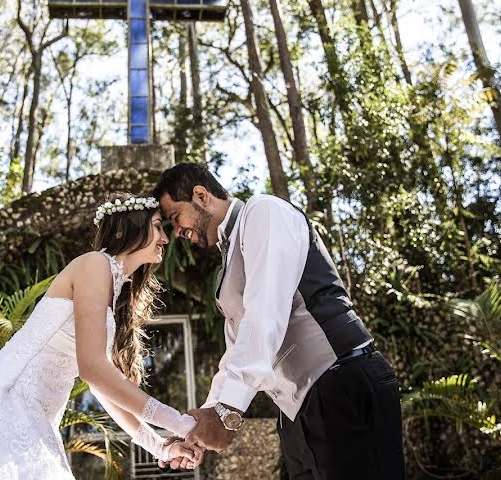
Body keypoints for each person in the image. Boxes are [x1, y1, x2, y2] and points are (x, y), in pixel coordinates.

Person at [0, 193, 200, 479]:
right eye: (158, 226)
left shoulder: (113, 285)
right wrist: (179, 422)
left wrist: (159, 445)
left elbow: (103, 387)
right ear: (127, 229)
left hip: (35, 414)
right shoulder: (95, 264)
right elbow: (94, 371)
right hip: (9, 401)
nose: (164, 238)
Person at [153, 163, 406, 479]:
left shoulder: (264, 213)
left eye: (176, 218)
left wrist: (228, 412)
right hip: (297, 411)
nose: (177, 232)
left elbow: (265, 313)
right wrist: (203, 421)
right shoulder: (227, 260)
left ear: (201, 196)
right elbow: (238, 349)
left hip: (342, 384)